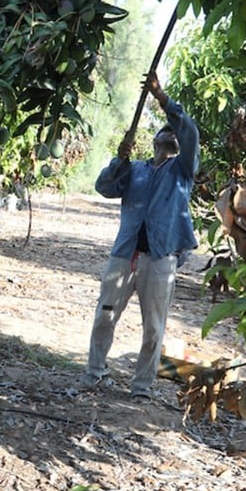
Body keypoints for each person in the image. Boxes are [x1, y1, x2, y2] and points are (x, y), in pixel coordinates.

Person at [83, 72, 199, 399]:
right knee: (105, 315)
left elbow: (189, 131)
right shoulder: (135, 170)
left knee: (154, 328)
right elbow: (104, 187)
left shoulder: (182, 171)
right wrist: (119, 161)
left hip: (161, 260)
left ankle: (142, 387)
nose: (171, 135)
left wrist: (161, 97)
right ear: (155, 141)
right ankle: (94, 373)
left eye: (174, 133)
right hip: (125, 255)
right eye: (165, 132)